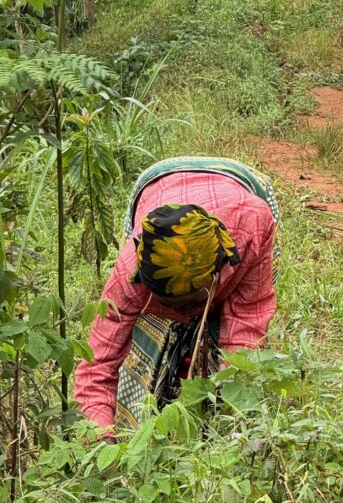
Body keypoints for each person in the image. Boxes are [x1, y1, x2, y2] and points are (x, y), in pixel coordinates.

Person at [75, 155, 278, 431]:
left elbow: (246, 328)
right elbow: (97, 365)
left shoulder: (252, 229)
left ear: (217, 275)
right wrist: (99, 437)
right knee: (151, 338)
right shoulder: (130, 272)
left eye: (188, 304)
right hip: (156, 185)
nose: (181, 316)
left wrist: (236, 426)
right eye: (170, 306)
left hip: (241, 190)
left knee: (226, 335)